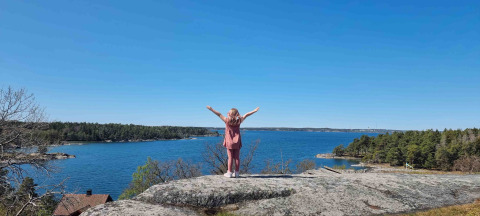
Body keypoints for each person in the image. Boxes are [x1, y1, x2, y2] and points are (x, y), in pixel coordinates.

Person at [206, 106, 259, 178]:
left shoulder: (227, 120)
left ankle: (229, 172)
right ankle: (236, 173)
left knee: (230, 157)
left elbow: (218, 114)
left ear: (230, 114)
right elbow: (246, 114)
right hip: (237, 141)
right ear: (237, 114)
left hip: (229, 142)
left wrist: (211, 109)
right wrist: (254, 111)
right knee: (237, 157)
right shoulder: (239, 120)